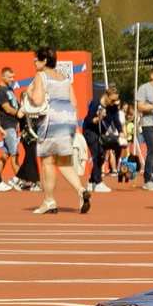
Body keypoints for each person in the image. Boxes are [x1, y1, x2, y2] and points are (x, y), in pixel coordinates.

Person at [30, 46, 88, 214]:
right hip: (68, 119)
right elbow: (75, 103)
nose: (34, 61)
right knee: (63, 162)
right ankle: (81, 190)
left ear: (44, 61)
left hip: (51, 120)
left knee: (47, 161)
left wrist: (31, 92)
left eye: (36, 59)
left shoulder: (41, 76)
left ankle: (49, 201)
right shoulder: (64, 78)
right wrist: (75, 126)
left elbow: (38, 100)